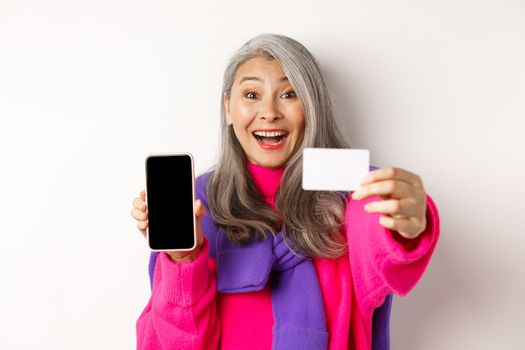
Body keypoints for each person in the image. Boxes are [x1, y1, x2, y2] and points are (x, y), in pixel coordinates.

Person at [130, 33, 440, 350]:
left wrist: (407, 223)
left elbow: (380, 238)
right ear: (228, 109)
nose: (269, 112)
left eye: (289, 94)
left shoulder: (353, 190)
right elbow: (173, 343)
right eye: (251, 95)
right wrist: (183, 260)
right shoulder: (197, 203)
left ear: (312, 106)